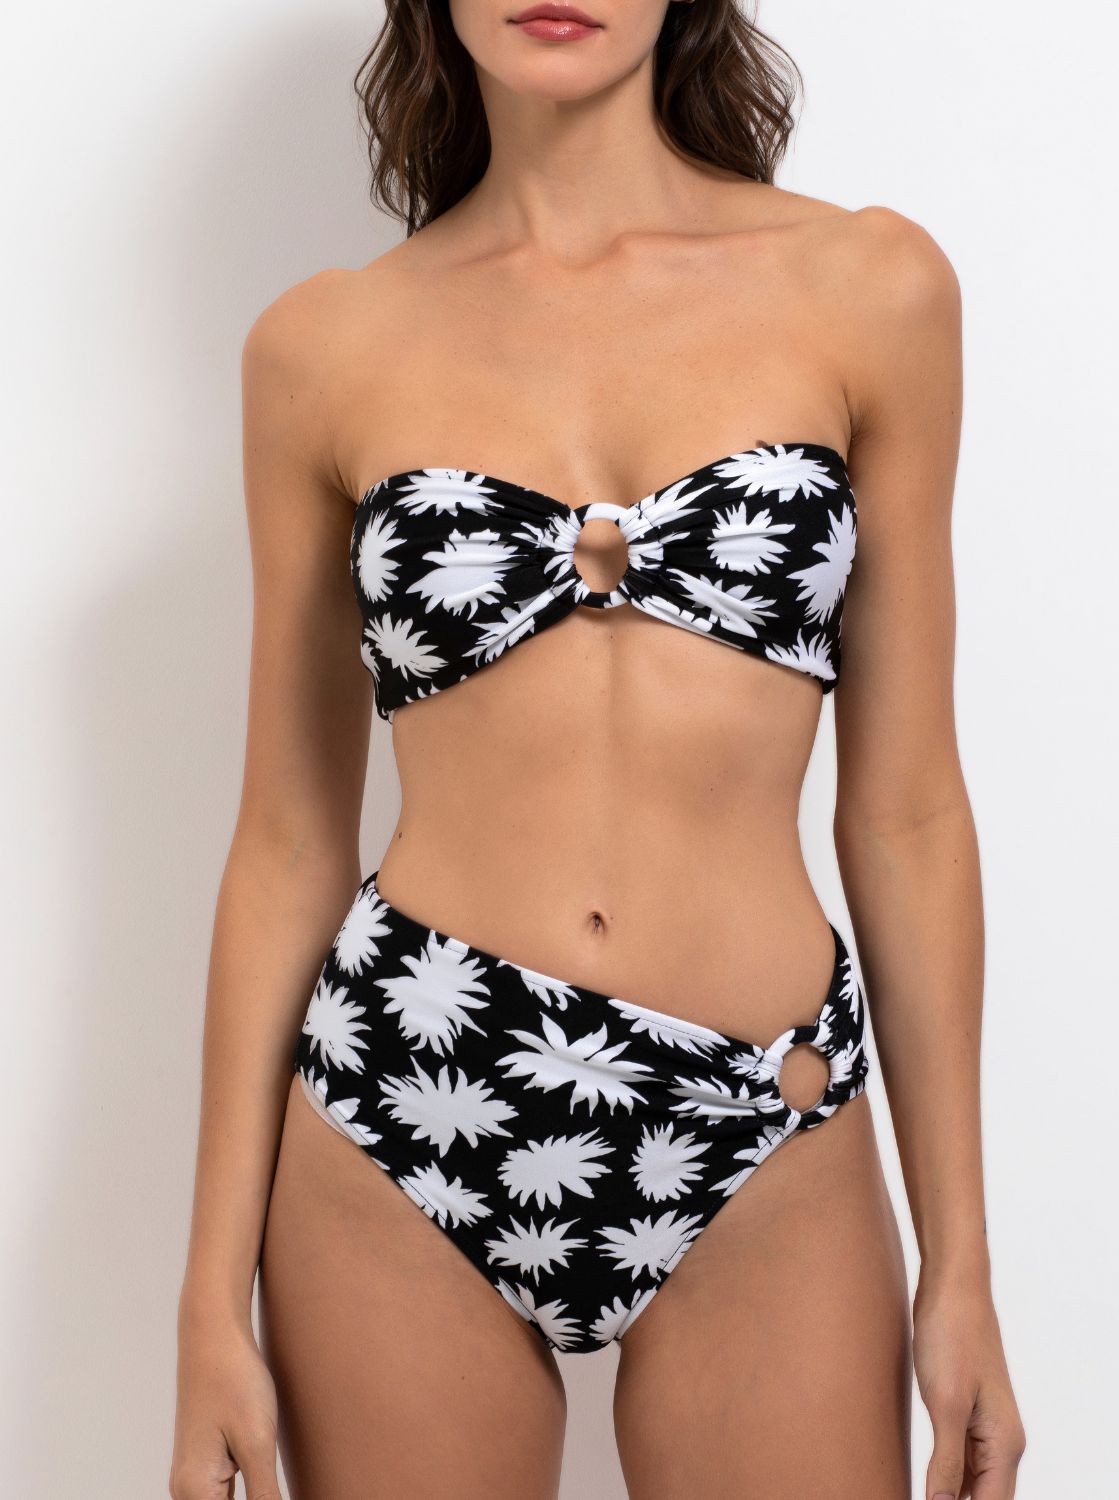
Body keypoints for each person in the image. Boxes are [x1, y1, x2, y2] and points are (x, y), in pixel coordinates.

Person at [170, 2, 1026, 1496]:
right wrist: (204, 1299)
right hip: (407, 1097)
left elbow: (907, 814)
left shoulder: (868, 289)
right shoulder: (320, 347)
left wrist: (961, 1269)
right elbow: (288, 839)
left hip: (764, 1111)